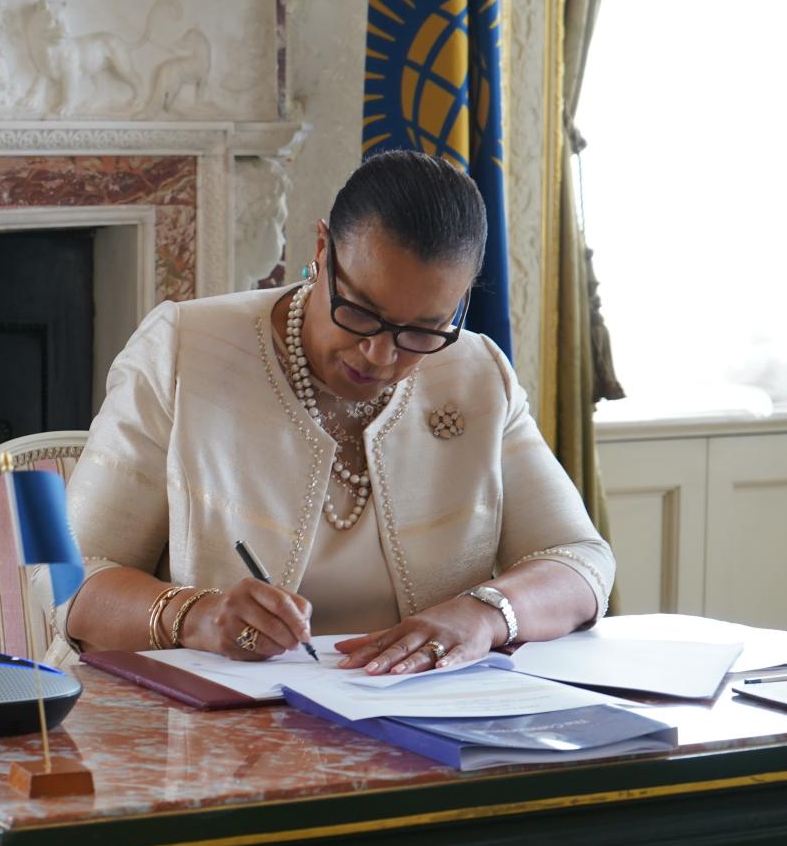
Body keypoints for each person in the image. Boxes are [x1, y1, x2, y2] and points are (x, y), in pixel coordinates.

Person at [52, 149, 613, 675]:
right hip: (205, 734)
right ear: (322, 249)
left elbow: (582, 561)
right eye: (361, 312)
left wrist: (488, 613)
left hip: (412, 727)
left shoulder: (477, 374)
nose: (380, 354)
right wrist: (195, 616)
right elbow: (62, 579)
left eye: (422, 330)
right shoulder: (184, 349)